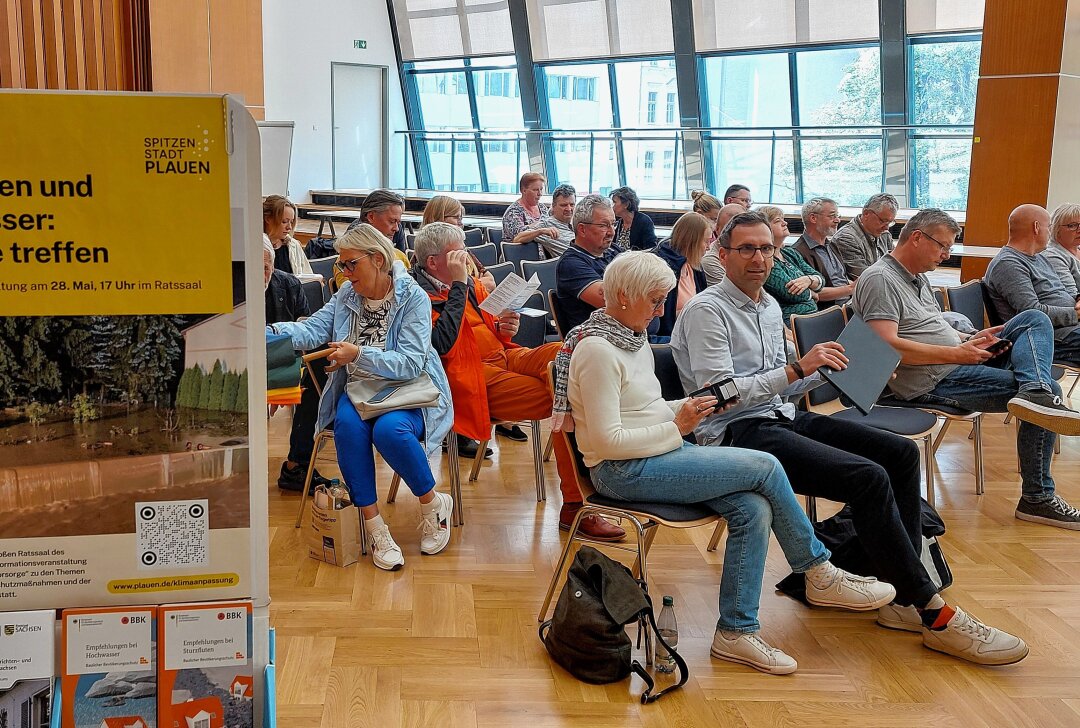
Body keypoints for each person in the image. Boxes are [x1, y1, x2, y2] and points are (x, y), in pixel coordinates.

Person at [670, 212, 1029, 666]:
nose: (759, 258)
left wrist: (829, 367)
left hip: (776, 418)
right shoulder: (708, 311)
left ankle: (902, 598)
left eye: (766, 248)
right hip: (735, 435)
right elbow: (715, 399)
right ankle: (930, 610)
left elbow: (785, 384)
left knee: (897, 454)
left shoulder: (766, 307)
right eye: (746, 249)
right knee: (867, 477)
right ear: (723, 254)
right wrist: (798, 369)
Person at [558, 250, 896, 675]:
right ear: (623, 296)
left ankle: (735, 632)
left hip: (656, 452)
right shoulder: (597, 351)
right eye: (655, 300)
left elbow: (642, 409)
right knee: (766, 466)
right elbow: (607, 443)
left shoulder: (630, 336)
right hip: (621, 471)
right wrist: (678, 426)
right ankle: (817, 570)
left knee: (753, 506)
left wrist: (686, 408)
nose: (662, 310)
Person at [853, 208, 1080, 530]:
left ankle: (1034, 391)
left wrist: (970, 338)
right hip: (931, 377)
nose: (945, 255)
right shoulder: (880, 279)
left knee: (1035, 318)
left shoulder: (915, 276)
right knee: (1053, 390)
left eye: (949, 248)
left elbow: (927, 326)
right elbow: (887, 346)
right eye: (942, 246)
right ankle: (1037, 497)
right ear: (917, 238)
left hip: (955, 358)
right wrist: (955, 353)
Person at [412, 223, 625, 541]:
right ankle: (576, 504)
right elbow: (443, 344)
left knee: (568, 351)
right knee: (563, 395)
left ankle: (598, 485)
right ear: (433, 262)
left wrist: (504, 327)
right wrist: (459, 285)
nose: (467, 257)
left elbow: (489, 330)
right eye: (458, 252)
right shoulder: (416, 296)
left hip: (505, 356)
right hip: (469, 379)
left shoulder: (468, 284)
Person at [268, 224, 456, 570]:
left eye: (351, 264)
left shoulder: (411, 296)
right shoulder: (346, 296)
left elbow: (412, 363)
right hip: (359, 391)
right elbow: (311, 329)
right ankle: (375, 526)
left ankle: (433, 505)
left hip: (405, 391)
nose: (344, 272)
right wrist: (268, 333)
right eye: (342, 265)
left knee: (390, 432)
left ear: (378, 259)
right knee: (348, 430)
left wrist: (358, 355)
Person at [263, 237, 331, 492]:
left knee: (323, 362)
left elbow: (305, 330)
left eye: (266, 267)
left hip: (287, 362)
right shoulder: (230, 287)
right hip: (239, 365)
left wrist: (284, 375)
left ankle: (297, 464)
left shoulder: (288, 284)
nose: (262, 275)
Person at [985, 204, 1080, 366]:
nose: (1050, 233)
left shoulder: (1039, 257)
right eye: (1049, 227)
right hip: (1046, 336)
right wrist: (1075, 314)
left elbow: (1064, 292)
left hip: (1067, 329)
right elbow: (1032, 312)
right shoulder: (1009, 263)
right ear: (1036, 227)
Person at [555, 194, 623, 332]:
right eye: (604, 225)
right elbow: (614, 303)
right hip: (599, 340)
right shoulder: (571, 264)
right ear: (582, 229)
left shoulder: (614, 250)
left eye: (613, 224)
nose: (611, 232)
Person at [758, 206, 828, 325]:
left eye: (783, 219)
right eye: (777, 221)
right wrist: (812, 293)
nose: (785, 223)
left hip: (813, 316)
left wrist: (809, 279)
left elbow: (820, 278)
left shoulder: (790, 253)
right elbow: (792, 294)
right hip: (789, 323)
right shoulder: (765, 260)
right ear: (765, 229)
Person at [652, 212, 710, 338]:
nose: (708, 247)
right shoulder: (661, 268)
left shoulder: (695, 266)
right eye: (706, 241)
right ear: (692, 241)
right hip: (670, 339)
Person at [420, 194, 496, 291]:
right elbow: (447, 290)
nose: (461, 223)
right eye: (457, 218)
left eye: (461, 218)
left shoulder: (461, 248)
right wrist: (476, 284)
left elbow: (491, 281)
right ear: (440, 218)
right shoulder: (424, 254)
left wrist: (469, 285)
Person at [791, 197, 855, 306]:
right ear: (813, 218)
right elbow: (814, 293)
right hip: (829, 314)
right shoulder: (797, 253)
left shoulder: (831, 245)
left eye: (837, 216)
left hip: (850, 306)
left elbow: (840, 278)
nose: (837, 220)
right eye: (832, 216)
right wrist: (851, 289)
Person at [832, 193, 898, 278]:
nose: (886, 228)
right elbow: (866, 278)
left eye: (890, 222)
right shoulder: (846, 238)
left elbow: (897, 264)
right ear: (866, 213)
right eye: (883, 221)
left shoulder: (885, 235)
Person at [514, 183, 576, 258]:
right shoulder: (547, 224)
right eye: (563, 205)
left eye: (572, 205)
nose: (569, 209)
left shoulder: (577, 223)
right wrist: (541, 231)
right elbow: (518, 238)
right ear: (553, 206)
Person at [346, 189, 409, 254]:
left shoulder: (397, 230)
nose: (396, 228)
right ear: (371, 217)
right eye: (392, 221)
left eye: (398, 222)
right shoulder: (353, 238)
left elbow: (402, 260)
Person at [264, 195, 313, 276]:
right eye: (284, 221)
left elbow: (308, 277)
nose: (289, 227)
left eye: (291, 222)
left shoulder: (294, 245)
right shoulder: (256, 248)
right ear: (268, 219)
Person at [700, 203, 745, 286]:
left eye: (742, 229)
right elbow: (735, 294)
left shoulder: (752, 253)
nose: (734, 234)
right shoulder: (710, 260)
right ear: (716, 229)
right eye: (728, 229)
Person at [1041, 202, 1080, 296]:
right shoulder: (1052, 256)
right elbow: (1072, 295)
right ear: (1056, 228)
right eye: (1072, 225)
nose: (1079, 230)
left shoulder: (1077, 248)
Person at [502, 172, 550, 242]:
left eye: (541, 189)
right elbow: (518, 237)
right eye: (535, 190)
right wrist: (541, 228)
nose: (540, 194)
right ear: (524, 190)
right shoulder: (512, 212)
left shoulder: (542, 208)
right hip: (522, 251)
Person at [610, 186, 657, 251]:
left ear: (626, 204)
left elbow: (651, 248)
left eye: (614, 202)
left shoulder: (644, 221)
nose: (612, 206)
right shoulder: (617, 221)